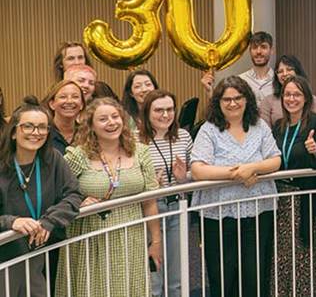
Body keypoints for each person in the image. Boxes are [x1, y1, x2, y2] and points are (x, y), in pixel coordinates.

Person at [56, 97, 162, 297]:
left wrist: (156, 242)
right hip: (90, 237)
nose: (111, 123)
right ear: (91, 126)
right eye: (103, 119)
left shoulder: (141, 152)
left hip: (131, 234)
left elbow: (150, 201)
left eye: (115, 117)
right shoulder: (78, 155)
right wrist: (79, 200)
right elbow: (57, 190)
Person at [190, 77, 281, 297]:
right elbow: (198, 169)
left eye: (238, 98)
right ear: (218, 103)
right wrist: (237, 174)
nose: (232, 103)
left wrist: (253, 168)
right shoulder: (208, 129)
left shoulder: (260, 126)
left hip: (258, 211)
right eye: (226, 99)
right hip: (218, 214)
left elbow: (275, 160)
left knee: (255, 273)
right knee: (223, 275)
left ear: (247, 99)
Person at [0, 97, 82, 297]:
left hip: (39, 255)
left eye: (42, 127)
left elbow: (73, 194)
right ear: (13, 132)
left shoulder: (53, 159)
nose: (36, 133)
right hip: (5, 256)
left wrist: (49, 221)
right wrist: (12, 222)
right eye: (28, 126)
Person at [272, 75, 316, 296]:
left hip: (303, 198)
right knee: (280, 253)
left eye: (297, 94)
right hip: (280, 198)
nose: (291, 99)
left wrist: (315, 150)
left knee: (304, 250)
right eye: (287, 94)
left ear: (306, 98)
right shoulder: (279, 126)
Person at [137, 89, 193, 297]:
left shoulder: (183, 136)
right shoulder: (136, 140)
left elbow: (194, 171)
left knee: (177, 275)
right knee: (154, 276)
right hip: (149, 210)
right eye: (159, 110)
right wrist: (149, 183)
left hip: (178, 207)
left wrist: (183, 177)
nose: (165, 115)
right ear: (147, 113)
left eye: (170, 109)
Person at [260, 54, 316, 127]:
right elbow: (264, 133)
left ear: (297, 71)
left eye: (289, 69)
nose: (285, 74)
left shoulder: (314, 101)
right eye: (280, 71)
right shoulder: (267, 102)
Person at [43, 80, 84, 155]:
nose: (69, 101)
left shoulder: (87, 134)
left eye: (75, 97)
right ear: (52, 104)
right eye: (63, 97)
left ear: (81, 104)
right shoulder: (43, 133)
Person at [238, 31, 275, 105]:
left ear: (272, 50)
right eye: (254, 47)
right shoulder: (240, 80)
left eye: (263, 47)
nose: (258, 51)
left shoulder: (279, 80)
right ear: (250, 51)